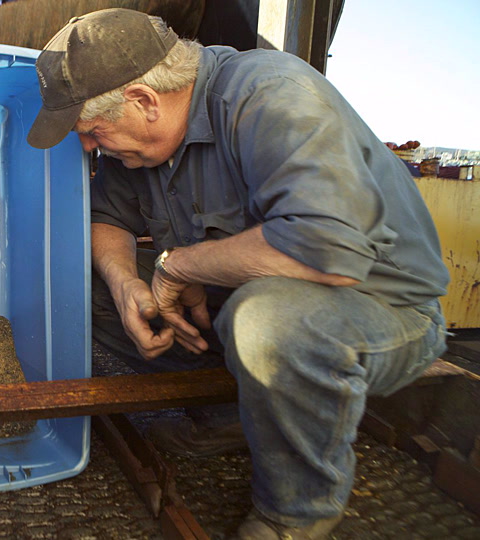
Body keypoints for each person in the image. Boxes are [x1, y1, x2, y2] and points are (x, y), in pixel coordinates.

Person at [27, 8, 448, 540]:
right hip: (235, 306)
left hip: (382, 313)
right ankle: (242, 413)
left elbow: (328, 251)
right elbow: (105, 219)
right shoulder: (139, 149)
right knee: (80, 284)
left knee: (267, 323)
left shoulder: (272, 94)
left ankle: (294, 515)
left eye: (92, 130)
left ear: (143, 101)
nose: (88, 146)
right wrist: (126, 282)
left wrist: (177, 265)